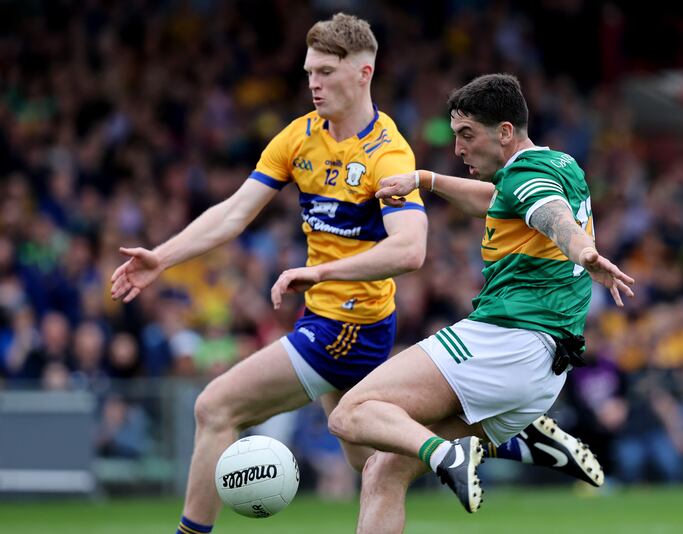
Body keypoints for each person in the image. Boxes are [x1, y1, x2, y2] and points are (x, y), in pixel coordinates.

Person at [111, 15, 601, 533]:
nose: (314, 83)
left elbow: (411, 248)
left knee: (216, 407)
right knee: (374, 462)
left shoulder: (386, 152)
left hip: (351, 322)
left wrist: (321, 273)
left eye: (325, 71)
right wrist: (162, 257)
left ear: (363, 73)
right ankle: (510, 438)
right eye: (309, 72)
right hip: (327, 315)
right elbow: (234, 212)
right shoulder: (300, 136)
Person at [327, 74, 635, 531]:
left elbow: (550, 214)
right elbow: (498, 199)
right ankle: (514, 440)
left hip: (507, 341)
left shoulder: (527, 178)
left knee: (350, 414)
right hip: (543, 371)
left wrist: (583, 251)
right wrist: (425, 180)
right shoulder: (558, 163)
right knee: (382, 467)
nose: (458, 148)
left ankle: (449, 454)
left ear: (505, 132)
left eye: (467, 135)